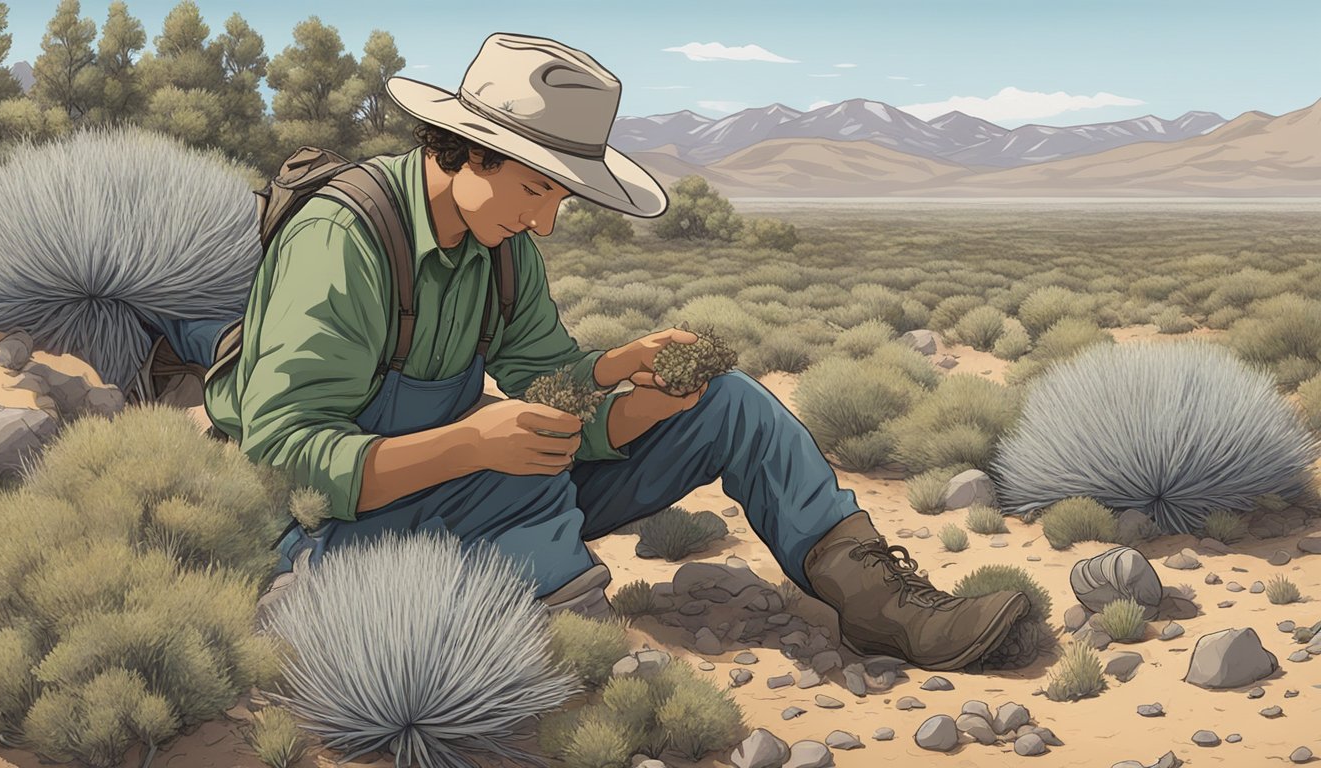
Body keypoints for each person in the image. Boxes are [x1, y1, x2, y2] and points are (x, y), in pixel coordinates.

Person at [190, 32, 1030, 672]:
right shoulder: (346, 238)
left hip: (463, 487)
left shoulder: (502, 245)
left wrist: (626, 385)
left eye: (557, 195)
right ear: (471, 151)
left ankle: (881, 605)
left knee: (727, 402)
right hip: (327, 523)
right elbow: (288, 453)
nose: (545, 220)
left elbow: (549, 395)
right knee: (512, 477)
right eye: (536, 188)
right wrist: (476, 442)